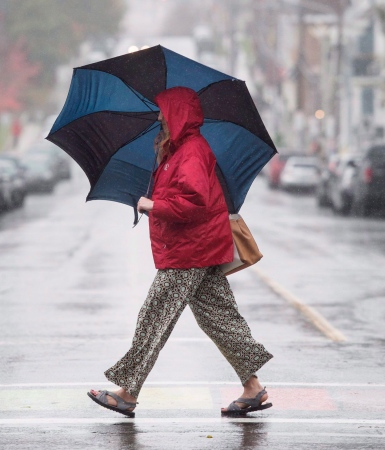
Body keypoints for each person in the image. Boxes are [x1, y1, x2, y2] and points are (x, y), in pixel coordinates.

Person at [87, 87, 273, 417]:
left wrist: (153, 205)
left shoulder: (192, 152)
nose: (158, 117)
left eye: (164, 111)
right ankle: (253, 388)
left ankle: (127, 392)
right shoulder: (177, 152)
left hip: (190, 251)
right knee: (220, 320)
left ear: (179, 114)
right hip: (198, 248)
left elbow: (196, 204)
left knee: (154, 317)